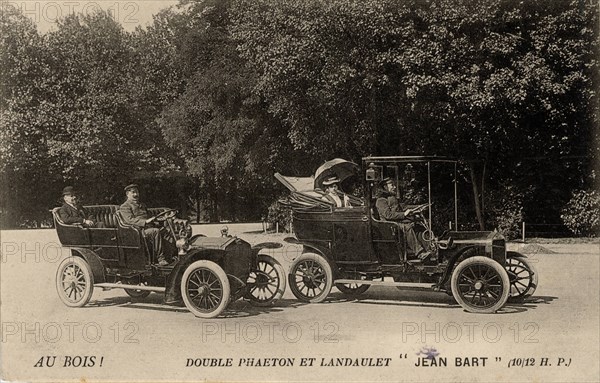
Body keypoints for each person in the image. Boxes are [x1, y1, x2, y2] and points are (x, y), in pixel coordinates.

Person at [375, 177, 431, 261]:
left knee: (418, 226)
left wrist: (418, 207)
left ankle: (429, 251)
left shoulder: (392, 198)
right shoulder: (381, 200)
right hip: (388, 226)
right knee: (407, 228)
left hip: (397, 223)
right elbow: (388, 215)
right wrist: (404, 214)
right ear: (385, 187)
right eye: (392, 185)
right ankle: (420, 253)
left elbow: (404, 207)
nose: (394, 187)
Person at [119, 184, 173, 266]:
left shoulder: (142, 205)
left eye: (137, 192)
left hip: (147, 228)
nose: (136, 194)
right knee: (155, 231)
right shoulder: (124, 206)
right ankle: (161, 259)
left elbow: (149, 216)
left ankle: (170, 256)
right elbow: (129, 220)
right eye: (133, 192)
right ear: (127, 194)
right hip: (136, 231)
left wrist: (160, 219)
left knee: (166, 231)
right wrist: (145, 222)